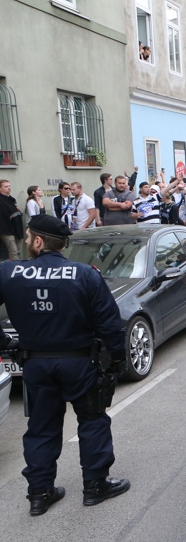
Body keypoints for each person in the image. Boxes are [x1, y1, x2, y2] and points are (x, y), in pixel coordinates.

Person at [1, 215, 131, 515]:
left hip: (36, 363)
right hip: (79, 362)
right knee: (92, 421)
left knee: (41, 428)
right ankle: (95, 486)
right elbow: (109, 322)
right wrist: (117, 358)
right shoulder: (84, 274)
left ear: (37, 241)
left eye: (28, 236)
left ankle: (39, 492)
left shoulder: (8, 271)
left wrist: (5, 343)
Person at [0, 179, 25, 260]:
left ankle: (19, 267)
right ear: (0, 188)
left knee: (19, 251)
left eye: (9, 186)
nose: (9, 188)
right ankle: (15, 270)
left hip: (17, 229)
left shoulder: (12, 199)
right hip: (6, 230)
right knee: (13, 252)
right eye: (6, 186)